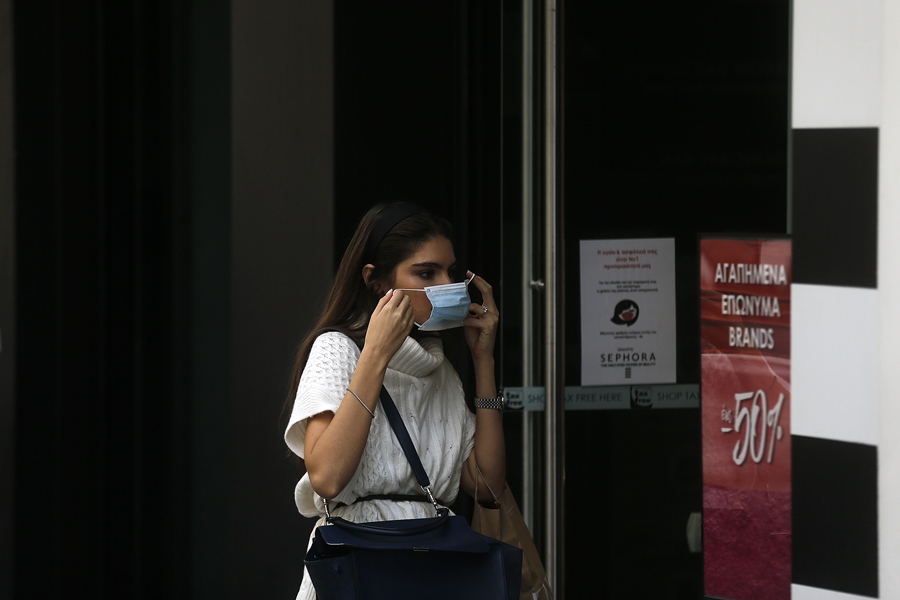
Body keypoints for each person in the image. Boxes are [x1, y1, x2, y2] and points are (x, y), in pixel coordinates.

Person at [283, 202, 506, 600]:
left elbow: (487, 486)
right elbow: (329, 478)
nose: (444, 284)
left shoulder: (440, 370)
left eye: (450, 272)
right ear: (376, 282)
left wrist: (483, 361)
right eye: (425, 273)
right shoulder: (337, 350)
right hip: (360, 559)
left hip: (432, 563)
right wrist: (375, 354)